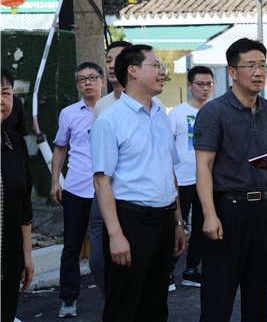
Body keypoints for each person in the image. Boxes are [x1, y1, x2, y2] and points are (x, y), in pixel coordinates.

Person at [90, 44, 187, 321]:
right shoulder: (110, 120)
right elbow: (102, 182)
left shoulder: (161, 114)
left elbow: (169, 172)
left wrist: (178, 222)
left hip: (164, 220)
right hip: (131, 221)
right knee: (125, 306)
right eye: (156, 65)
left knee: (156, 305)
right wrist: (116, 235)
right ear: (133, 71)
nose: (162, 72)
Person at [194, 38, 267, 321]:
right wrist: (209, 215)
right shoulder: (214, 111)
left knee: (258, 295)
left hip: (264, 209)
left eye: (263, 66)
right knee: (219, 295)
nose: (258, 72)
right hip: (228, 209)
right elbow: (204, 167)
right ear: (232, 72)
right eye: (250, 66)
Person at [50, 62, 105, 318]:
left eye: (92, 77)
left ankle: (116, 294)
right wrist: (55, 181)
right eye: (82, 79)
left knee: (111, 244)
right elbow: (60, 147)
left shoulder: (114, 109)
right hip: (76, 188)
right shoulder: (69, 113)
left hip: (109, 189)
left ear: (102, 81)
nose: (88, 83)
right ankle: (69, 298)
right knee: (71, 245)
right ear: (77, 85)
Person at [89, 40, 132, 299]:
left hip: (133, 200)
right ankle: (113, 306)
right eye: (108, 59)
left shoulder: (153, 106)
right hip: (103, 194)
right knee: (98, 261)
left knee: (130, 262)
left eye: (119, 58)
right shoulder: (101, 106)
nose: (112, 64)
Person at [167, 65, 214, 290]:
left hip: (207, 180)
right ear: (189, 85)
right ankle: (167, 271)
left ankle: (191, 270)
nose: (205, 88)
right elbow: (167, 149)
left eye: (209, 84)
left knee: (202, 228)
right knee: (176, 226)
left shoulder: (216, 111)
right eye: (200, 84)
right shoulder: (177, 113)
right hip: (182, 180)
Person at [1, 66, 34, 322]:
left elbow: (25, 206)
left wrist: (27, 255)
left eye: (5, 93)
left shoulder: (16, 143)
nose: (1, 100)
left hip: (9, 263)